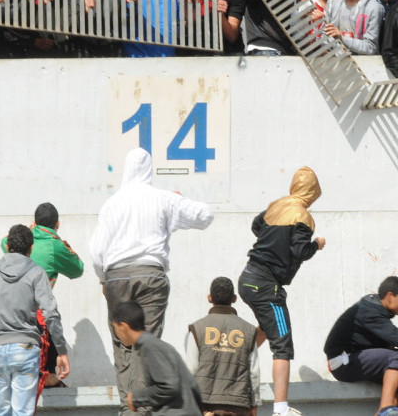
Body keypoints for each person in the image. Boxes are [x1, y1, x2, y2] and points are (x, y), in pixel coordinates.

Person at [91, 148, 214, 415]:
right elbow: (205, 216)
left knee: (123, 343)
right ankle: (144, 406)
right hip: (151, 275)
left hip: (117, 277)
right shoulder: (164, 199)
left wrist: (104, 280)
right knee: (146, 340)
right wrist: (180, 199)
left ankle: (129, 407)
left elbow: (97, 249)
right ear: (150, 170)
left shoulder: (112, 203)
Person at [238, 167, 325, 416]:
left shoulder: (276, 205)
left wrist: (273, 243)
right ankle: (280, 409)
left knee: (266, 329)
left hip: (248, 277)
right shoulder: (303, 216)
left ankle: (234, 361)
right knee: (282, 346)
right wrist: (317, 244)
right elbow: (301, 252)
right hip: (267, 285)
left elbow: (257, 226)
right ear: (313, 192)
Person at [0, 224, 70, 416]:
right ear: (31, 248)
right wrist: (62, 350)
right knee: (23, 412)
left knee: (3, 411)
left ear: (7, 246)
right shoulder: (36, 273)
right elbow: (50, 313)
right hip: (24, 348)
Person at [324, 276, 398, 416]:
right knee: (395, 356)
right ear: (390, 296)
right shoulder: (369, 311)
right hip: (342, 362)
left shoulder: (376, 309)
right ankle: (386, 408)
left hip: (355, 359)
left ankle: (382, 414)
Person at [185, 277, 265, 416]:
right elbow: (254, 373)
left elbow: (191, 370)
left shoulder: (197, 329)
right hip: (238, 405)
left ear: (209, 298)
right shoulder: (249, 331)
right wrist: (254, 403)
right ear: (234, 298)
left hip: (204, 406)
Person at [111, 301, 203, 416]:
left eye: (115, 328)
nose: (117, 334)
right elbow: (192, 384)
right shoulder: (160, 346)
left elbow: (169, 387)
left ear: (123, 327)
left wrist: (136, 398)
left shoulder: (150, 348)